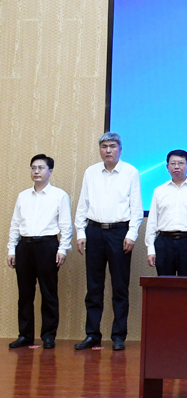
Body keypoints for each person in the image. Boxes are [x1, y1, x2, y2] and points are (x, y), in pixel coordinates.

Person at [74, 132, 143, 351]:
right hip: (94, 231)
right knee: (94, 287)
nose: (108, 150)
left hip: (119, 233)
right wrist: (81, 233)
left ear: (120, 149)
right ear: (100, 150)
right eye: (104, 146)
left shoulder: (131, 172)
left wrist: (131, 235)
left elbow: (136, 208)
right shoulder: (91, 172)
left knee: (120, 287)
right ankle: (92, 335)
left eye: (112, 146)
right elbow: (83, 205)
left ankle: (118, 336)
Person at [6, 154, 72, 349]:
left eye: (41, 168)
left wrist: (63, 249)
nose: (36, 171)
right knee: (25, 294)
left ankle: (48, 336)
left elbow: (66, 226)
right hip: (24, 246)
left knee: (48, 293)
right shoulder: (23, 196)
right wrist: (11, 249)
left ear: (50, 171)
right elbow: (15, 224)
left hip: (47, 246)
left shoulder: (59, 195)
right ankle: (25, 335)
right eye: (33, 168)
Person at [145, 150, 187, 276]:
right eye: (173, 163)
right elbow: (152, 222)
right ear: (167, 167)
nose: (176, 167)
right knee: (164, 284)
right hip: (164, 243)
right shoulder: (159, 191)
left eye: (181, 163)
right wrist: (150, 250)